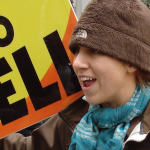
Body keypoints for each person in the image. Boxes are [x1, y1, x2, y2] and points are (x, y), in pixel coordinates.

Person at [1, 0, 150, 149]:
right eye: (77, 50)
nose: (77, 63)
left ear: (132, 62)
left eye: (94, 50)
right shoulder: (72, 118)